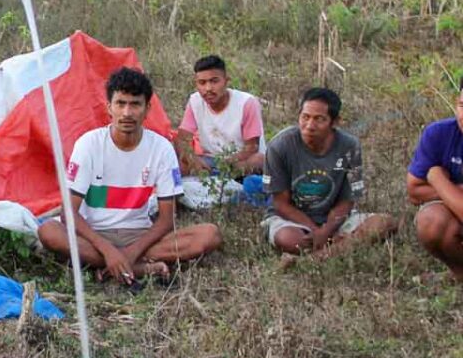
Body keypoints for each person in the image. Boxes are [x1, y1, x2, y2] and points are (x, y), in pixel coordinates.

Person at [38, 67, 222, 284]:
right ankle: (138, 269)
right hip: (94, 235)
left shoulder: (161, 148)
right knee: (48, 231)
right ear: (109, 108)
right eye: (120, 104)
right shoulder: (88, 144)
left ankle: (112, 267)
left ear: (147, 109)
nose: (127, 113)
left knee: (209, 235)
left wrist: (129, 253)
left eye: (135, 104)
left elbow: (165, 220)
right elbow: (69, 213)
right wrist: (108, 250)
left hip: (139, 235)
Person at [263, 87, 396, 260]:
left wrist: (327, 229)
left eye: (319, 119)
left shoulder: (349, 146)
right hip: (293, 220)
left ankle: (316, 258)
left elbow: (347, 200)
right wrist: (316, 231)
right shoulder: (280, 146)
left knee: (385, 223)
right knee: (289, 239)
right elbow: (281, 204)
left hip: (335, 219)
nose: (310, 126)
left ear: (334, 122)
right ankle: (339, 248)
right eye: (305, 117)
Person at [406, 78, 463, 281]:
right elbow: (414, 191)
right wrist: (455, 191)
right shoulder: (439, 133)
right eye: (462, 105)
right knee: (432, 222)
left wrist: (437, 178)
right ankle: (459, 273)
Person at [175, 55, 265, 176]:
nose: (208, 88)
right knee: (177, 163)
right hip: (209, 159)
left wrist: (225, 164)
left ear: (226, 81)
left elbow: (252, 147)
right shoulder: (195, 101)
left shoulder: (247, 103)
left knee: (258, 160)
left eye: (214, 81)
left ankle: (222, 178)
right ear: (196, 83)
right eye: (202, 83)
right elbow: (181, 139)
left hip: (239, 160)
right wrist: (193, 160)